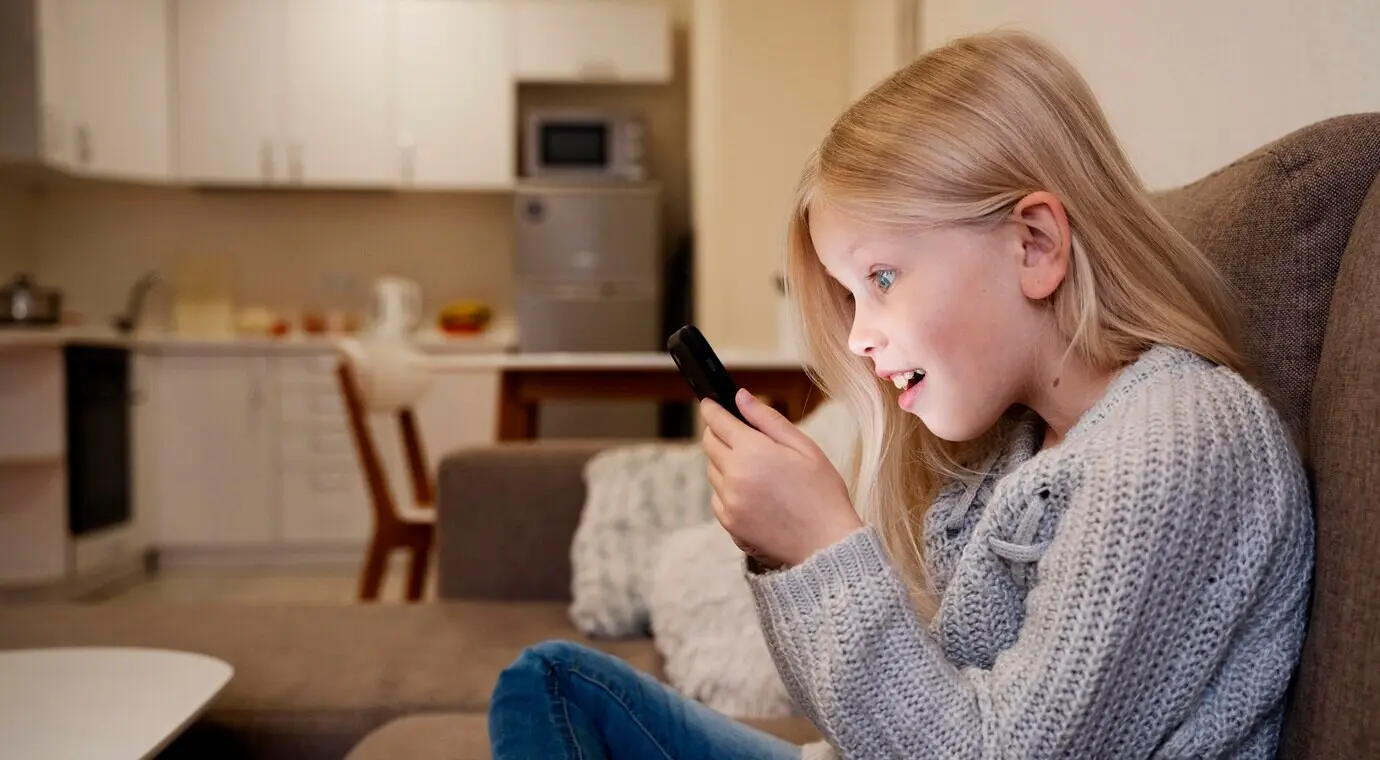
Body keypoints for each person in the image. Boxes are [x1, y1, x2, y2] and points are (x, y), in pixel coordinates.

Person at [488, 30, 1313, 760]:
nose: (858, 337)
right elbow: (855, 721)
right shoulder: (1013, 445)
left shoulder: (1179, 442)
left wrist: (822, 549)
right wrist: (784, 554)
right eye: (852, 296)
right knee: (555, 682)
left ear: (1034, 245)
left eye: (882, 278)